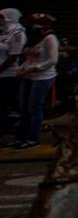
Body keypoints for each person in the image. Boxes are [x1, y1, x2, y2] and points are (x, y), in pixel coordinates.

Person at [13, 13, 59, 150]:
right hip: (27, 76)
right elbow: (28, 58)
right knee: (23, 108)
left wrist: (34, 69)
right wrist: (21, 69)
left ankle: (33, 139)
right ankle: (20, 138)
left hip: (43, 77)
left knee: (34, 108)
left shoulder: (50, 39)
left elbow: (52, 60)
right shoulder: (32, 39)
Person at [0, 9, 25, 143]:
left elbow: (13, 56)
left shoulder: (17, 33)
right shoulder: (3, 30)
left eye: (2, 17)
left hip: (7, 74)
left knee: (3, 104)